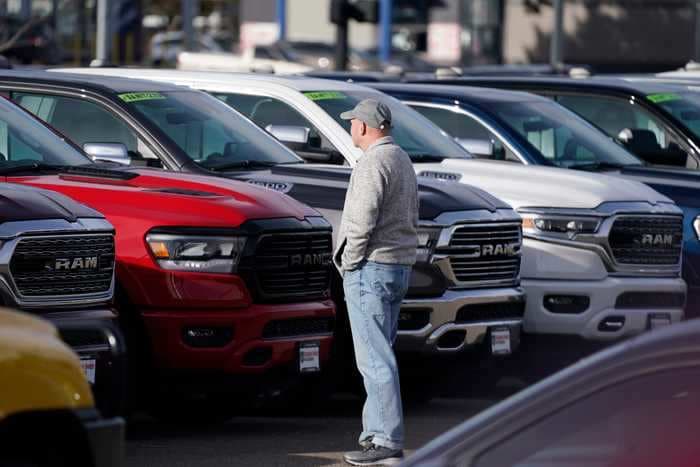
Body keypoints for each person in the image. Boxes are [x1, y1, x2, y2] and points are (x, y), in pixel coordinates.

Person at [334, 99, 419, 466]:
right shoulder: (401, 158)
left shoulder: (373, 162)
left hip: (371, 268)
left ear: (365, 127)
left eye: (352, 122)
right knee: (381, 352)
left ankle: (384, 438)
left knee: (374, 358)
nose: (351, 127)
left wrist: (349, 262)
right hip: (398, 266)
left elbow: (362, 218)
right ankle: (375, 435)